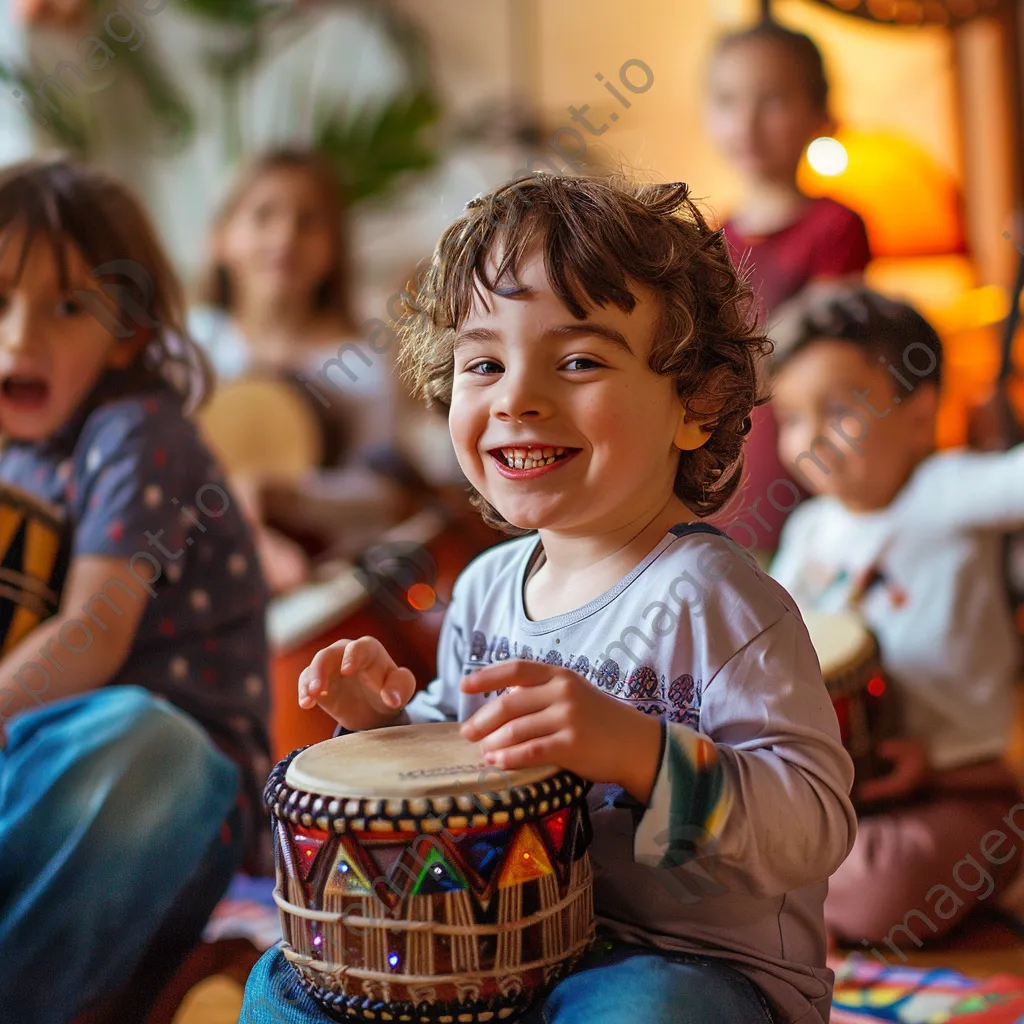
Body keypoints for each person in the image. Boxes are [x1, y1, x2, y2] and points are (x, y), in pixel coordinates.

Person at [239, 174, 857, 1024]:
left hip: (693, 972)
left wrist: (640, 754)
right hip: (504, 954)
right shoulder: (488, 589)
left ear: (696, 403)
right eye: (484, 362)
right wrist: (380, 728)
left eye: (578, 361)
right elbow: (459, 768)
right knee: (284, 982)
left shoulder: (717, 603)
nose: (518, 398)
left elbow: (814, 822)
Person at [0, 158, 271, 1022]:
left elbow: (90, 635)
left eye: (66, 307)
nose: (18, 338)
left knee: (147, 741)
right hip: (30, 770)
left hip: (172, 801)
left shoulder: (136, 432)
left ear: (126, 336)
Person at [768, 285, 1024, 951]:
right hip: (852, 790)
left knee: (887, 884)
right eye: (793, 419)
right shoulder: (810, 528)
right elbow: (767, 639)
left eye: (839, 410)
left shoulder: (947, 493)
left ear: (919, 414)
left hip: (959, 785)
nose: (810, 439)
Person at [190, 148, 409, 593]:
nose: (285, 236)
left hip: (321, 587)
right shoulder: (193, 347)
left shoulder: (361, 365)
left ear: (334, 248)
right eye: (263, 216)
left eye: (308, 221)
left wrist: (291, 495)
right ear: (221, 237)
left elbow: (385, 496)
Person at [705, 20, 872, 552]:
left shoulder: (836, 227)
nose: (748, 124)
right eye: (728, 101)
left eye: (773, 101)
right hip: (731, 457)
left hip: (808, 448)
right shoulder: (712, 239)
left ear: (820, 115)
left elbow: (824, 350)